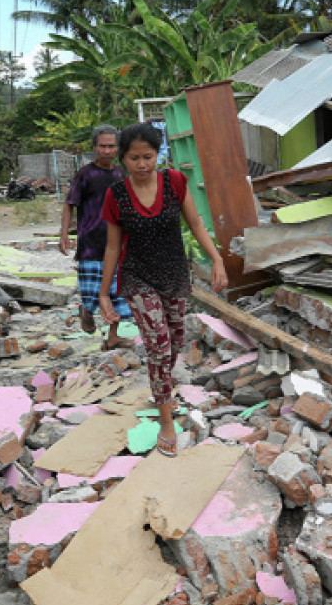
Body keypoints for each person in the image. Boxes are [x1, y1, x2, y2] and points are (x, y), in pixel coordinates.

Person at [99, 122, 227, 457]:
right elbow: (112, 248)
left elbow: (196, 223)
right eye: (134, 158)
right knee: (157, 345)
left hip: (173, 273)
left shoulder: (175, 182)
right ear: (123, 160)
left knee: (173, 342)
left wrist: (217, 260)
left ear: (158, 154)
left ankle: (163, 388)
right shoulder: (116, 196)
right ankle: (165, 417)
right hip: (137, 277)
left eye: (148, 156)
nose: (141, 164)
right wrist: (103, 293)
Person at [60, 125, 134, 350]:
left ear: (117, 148)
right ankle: (86, 311)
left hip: (117, 243)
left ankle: (112, 336)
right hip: (91, 244)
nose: (107, 150)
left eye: (111, 146)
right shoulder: (85, 174)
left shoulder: (121, 174)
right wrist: (64, 234)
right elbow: (69, 204)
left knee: (117, 293)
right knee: (92, 292)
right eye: (102, 146)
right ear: (94, 147)